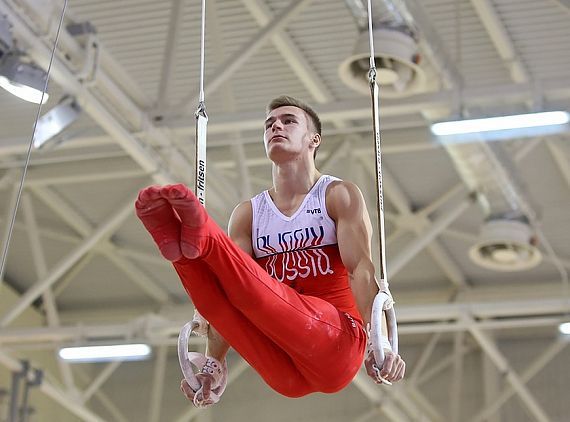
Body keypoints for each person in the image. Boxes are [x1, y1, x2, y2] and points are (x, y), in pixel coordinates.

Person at [135, 95, 405, 407]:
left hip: (336, 346)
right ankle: (183, 253)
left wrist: (380, 342)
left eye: (288, 121)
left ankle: (205, 238)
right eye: (269, 124)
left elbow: (361, 270)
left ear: (313, 139)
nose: (276, 126)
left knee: (256, 293)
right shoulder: (249, 213)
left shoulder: (337, 195)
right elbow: (229, 291)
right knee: (230, 294)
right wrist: (214, 365)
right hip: (281, 366)